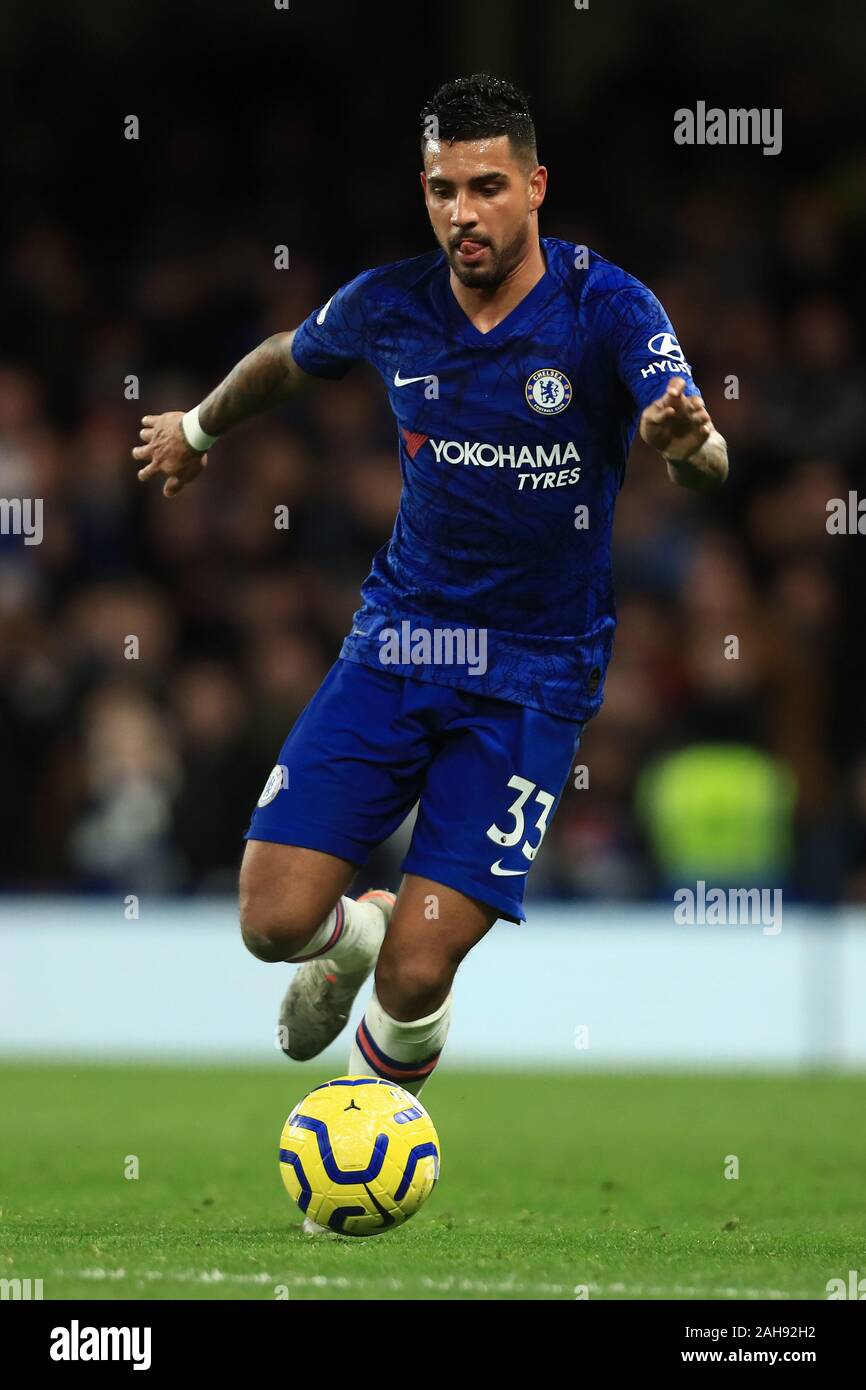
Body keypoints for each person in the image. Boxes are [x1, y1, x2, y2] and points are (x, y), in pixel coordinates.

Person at [133, 72, 727, 1107]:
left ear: (535, 185)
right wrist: (196, 429)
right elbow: (286, 356)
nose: (464, 213)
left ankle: (369, 1136)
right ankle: (348, 929)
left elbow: (700, 452)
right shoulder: (392, 305)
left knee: (417, 973)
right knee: (271, 922)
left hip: (534, 675)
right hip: (400, 643)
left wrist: (688, 447)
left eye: (487, 186)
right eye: (443, 189)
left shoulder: (607, 306)